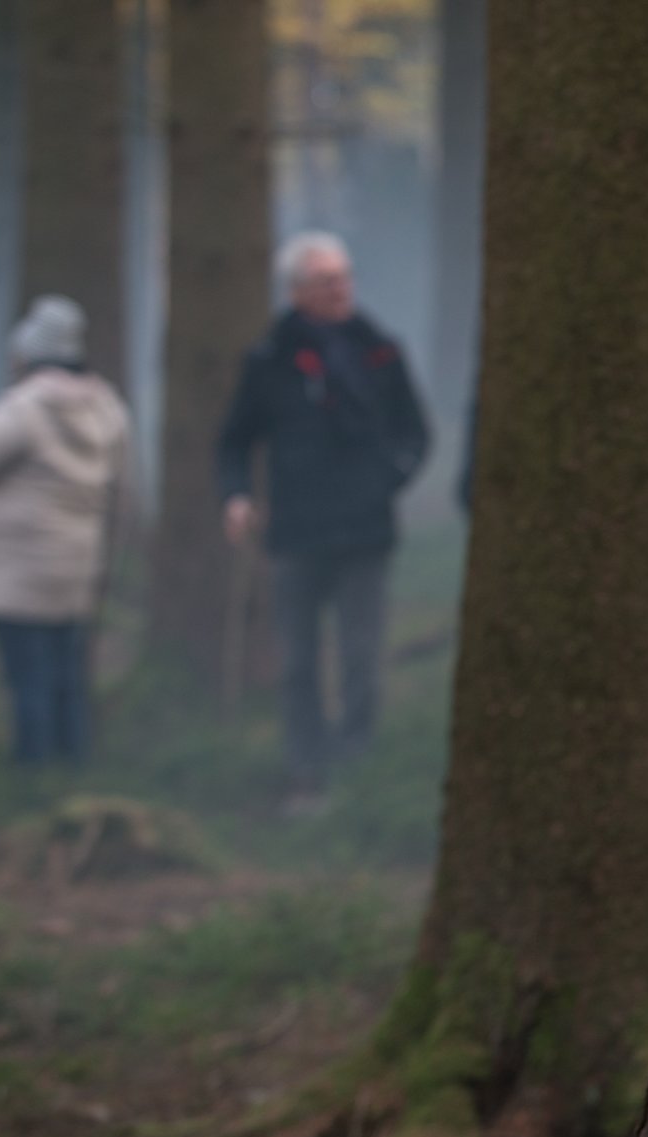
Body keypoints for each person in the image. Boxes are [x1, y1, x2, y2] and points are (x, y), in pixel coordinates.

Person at [217, 232, 431, 809]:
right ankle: (305, 769)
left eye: (344, 277)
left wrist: (390, 476)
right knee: (298, 661)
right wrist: (237, 496)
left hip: (366, 530)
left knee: (362, 656)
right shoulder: (269, 361)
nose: (340, 289)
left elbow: (415, 431)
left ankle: (356, 765)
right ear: (297, 292)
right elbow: (234, 442)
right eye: (326, 281)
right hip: (296, 533)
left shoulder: (380, 351)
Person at [0, 295, 128, 765]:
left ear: (28, 354)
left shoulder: (25, 406)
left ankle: (35, 777)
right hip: (78, 562)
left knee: (28, 680)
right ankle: (74, 767)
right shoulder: (107, 407)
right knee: (67, 676)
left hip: (16, 571)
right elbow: (123, 478)